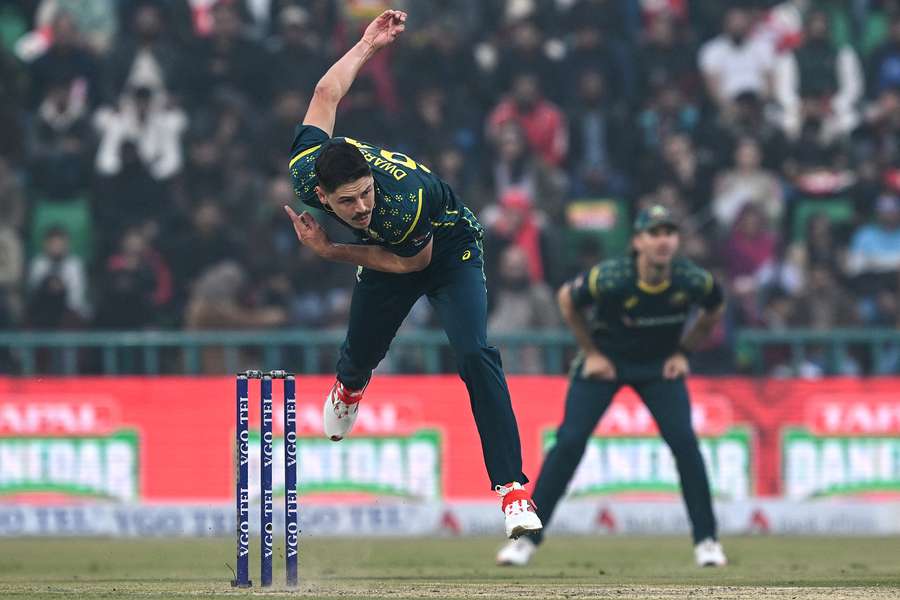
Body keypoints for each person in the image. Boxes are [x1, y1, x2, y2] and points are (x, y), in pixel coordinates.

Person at [284, 10, 542, 540]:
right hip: (390, 251)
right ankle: (350, 388)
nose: (358, 207)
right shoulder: (306, 169)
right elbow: (326, 93)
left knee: (474, 352)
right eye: (346, 202)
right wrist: (366, 46)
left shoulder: (400, 201)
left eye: (364, 194)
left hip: (445, 251)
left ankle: (513, 491)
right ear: (321, 194)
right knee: (359, 355)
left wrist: (331, 250)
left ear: (371, 177)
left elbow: (411, 265)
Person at [496, 205, 728, 567]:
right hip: (606, 362)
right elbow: (566, 300)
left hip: (657, 367)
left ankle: (707, 542)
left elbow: (715, 308)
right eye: (654, 233)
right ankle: (526, 541)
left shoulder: (691, 279)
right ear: (637, 241)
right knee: (569, 442)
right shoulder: (612, 277)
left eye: (669, 232)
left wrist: (684, 351)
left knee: (685, 442)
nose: (663, 240)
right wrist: (590, 352)